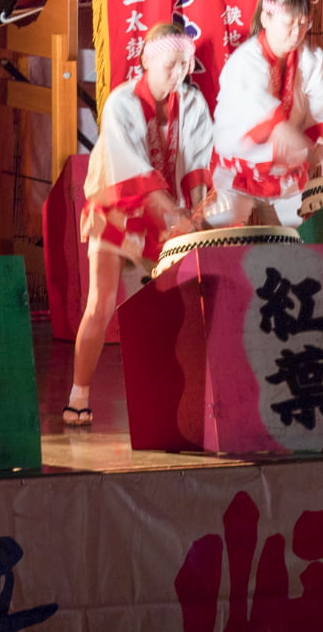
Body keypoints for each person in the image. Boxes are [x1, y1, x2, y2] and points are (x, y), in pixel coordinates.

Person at [66, 22, 215, 427]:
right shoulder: (121, 103)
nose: (179, 74)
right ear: (147, 60)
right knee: (100, 303)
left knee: (177, 307)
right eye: (170, 65)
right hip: (117, 209)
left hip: (168, 218)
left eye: (185, 65)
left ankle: (178, 395)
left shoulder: (193, 105)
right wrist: (173, 213)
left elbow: (199, 164)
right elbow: (130, 171)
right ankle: (78, 393)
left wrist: (197, 217)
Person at [208, 0, 323, 229]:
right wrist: (308, 150)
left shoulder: (310, 61)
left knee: (306, 236)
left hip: (286, 174)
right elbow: (271, 123)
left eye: (303, 25)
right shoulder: (244, 63)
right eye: (289, 24)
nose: (296, 33)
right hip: (238, 170)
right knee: (221, 240)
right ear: (266, 18)